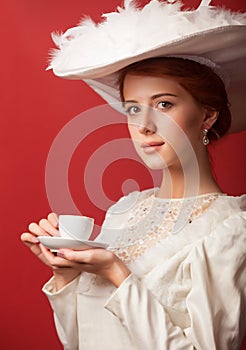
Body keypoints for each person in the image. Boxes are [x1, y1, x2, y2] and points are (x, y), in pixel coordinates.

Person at [21, 1, 246, 349]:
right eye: (133, 108)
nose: (143, 126)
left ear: (207, 115)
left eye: (164, 104)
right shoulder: (124, 211)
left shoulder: (231, 231)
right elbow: (81, 341)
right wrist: (65, 275)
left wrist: (116, 273)